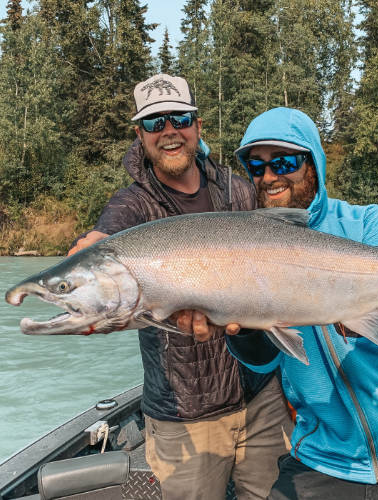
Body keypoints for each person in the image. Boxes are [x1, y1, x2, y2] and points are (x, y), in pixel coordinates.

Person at [221, 107, 378, 499]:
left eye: (284, 161)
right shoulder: (247, 247)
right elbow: (263, 361)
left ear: (314, 164)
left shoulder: (372, 223)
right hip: (321, 458)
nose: (269, 176)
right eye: (257, 166)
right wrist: (240, 329)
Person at [68, 74, 294, 500]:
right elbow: (104, 241)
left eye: (179, 118)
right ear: (140, 136)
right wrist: (87, 256)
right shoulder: (131, 206)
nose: (169, 131)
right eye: (155, 123)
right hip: (184, 417)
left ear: (197, 126)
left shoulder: (239, 190)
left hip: (262, 399)